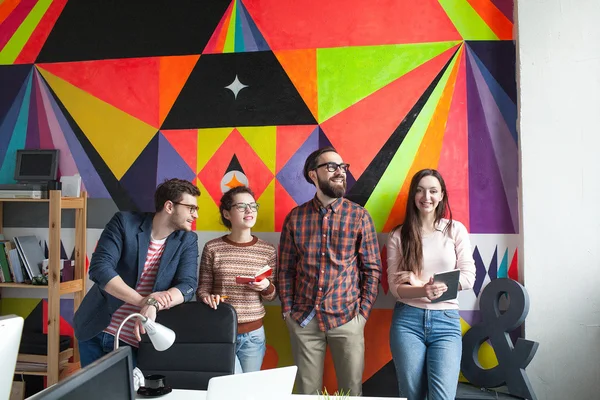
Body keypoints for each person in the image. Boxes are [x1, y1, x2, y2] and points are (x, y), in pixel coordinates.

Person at [278, 146, 382, 396]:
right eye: (332, 167)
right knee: (307, 392)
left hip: (347, 318)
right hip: (304, 319)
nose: (340, 172)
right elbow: (285, 269)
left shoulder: (359, 216)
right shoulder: (295, 218)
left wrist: (362, 315)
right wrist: (288, 311)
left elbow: (372, 270)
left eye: (343, 167)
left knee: (351, 391)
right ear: (313, 174)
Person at [74, 178, 201, 367]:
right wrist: (144, 301)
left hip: (136, 341)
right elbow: (100, 268)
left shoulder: (187, 240)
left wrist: (155, 305)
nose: (195, 215)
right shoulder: (124, 223)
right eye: (191, 208)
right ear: (169, 206)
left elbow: (188, 285)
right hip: (95, 329)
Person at [386, 169, 476, 400]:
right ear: (413, 196)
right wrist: (423, 290)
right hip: (407, 321)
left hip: (446, 322)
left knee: (442, 397)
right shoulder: (398, 235)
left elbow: (467, 277)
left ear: (442, 195)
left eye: (433, 191)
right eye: (420, 190)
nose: (426, 197)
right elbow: (396, 288)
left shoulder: (455, 230)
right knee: (411, 395)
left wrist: (421, 282)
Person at [197, 185, 276, 373]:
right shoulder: (212, 248)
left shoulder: (268, 250)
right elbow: (202, 290)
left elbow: (272, 296)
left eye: (253, 205)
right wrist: (208, 298)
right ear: (226, 213)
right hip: (220, 331)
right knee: (229, 390)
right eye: (241, 206)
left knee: (246, 390)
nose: (249, 211)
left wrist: (266, 286)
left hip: (253, 335)